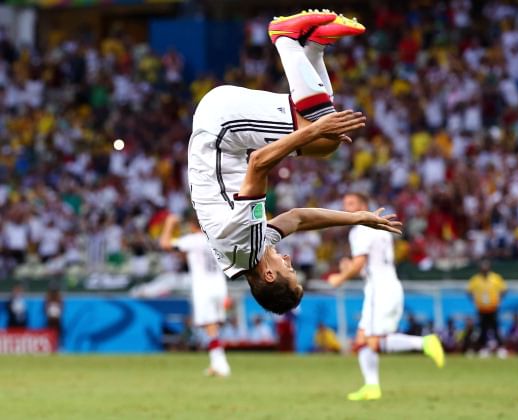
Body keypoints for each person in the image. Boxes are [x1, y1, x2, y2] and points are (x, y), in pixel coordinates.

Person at [187, 10, 402, 315]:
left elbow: (259, 163)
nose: (289, 262)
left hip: (222, 125)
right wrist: (357, 218)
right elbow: (298, 218)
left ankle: (285, 38)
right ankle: (315, 44)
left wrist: (314, 129)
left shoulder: (245, 242)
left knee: (322, 131)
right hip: (222, 128)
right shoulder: (249, 253)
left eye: (289, 271)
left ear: (270, 275)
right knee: (325, 143)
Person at [328, 192, 444, 401]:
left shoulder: (359, 229)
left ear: (364, 205)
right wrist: (353, 269)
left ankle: (424, 343)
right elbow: (370, 263)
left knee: (373, 341)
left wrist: (340, 277)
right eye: (345, 204)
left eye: (352, 203)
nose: (347, 208)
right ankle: (371, 387)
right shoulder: (379, 227)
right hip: (386, 284)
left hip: (379, 289)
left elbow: (360, 263)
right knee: (362, 338)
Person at [160, 213, 231, 377]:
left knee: (209, 324)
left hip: (204, 286)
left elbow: (164, 244)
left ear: (193, 226)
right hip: (219, 285)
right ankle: (216, 362)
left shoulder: (193, 239)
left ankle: (221, 364)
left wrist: (170, 223)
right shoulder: (216, 238)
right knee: (212, 325)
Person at [466, 259, 507, 357]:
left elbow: (504, 290)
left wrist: (498, 300)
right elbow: (469, 291)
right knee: (482, 329)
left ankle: (500, 348)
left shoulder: (496, 278)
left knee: (495, 328)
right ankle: (483, 348)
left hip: (493, 308)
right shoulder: (475, 279)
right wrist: (475, 301)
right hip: (482, 309)